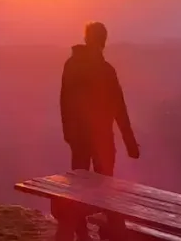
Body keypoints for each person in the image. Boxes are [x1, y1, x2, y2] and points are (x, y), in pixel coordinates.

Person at [57, 22, 140, 241]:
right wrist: (129, 141)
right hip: (101, 138)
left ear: (86, 39)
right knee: (106, 189)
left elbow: (64, 101)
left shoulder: (71, 65)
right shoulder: (106, 70)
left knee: (79, 188)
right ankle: (108, 235)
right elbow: (118, 107)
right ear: (103, 41)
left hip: (78, 138)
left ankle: (82, 234)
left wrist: (68, 133)